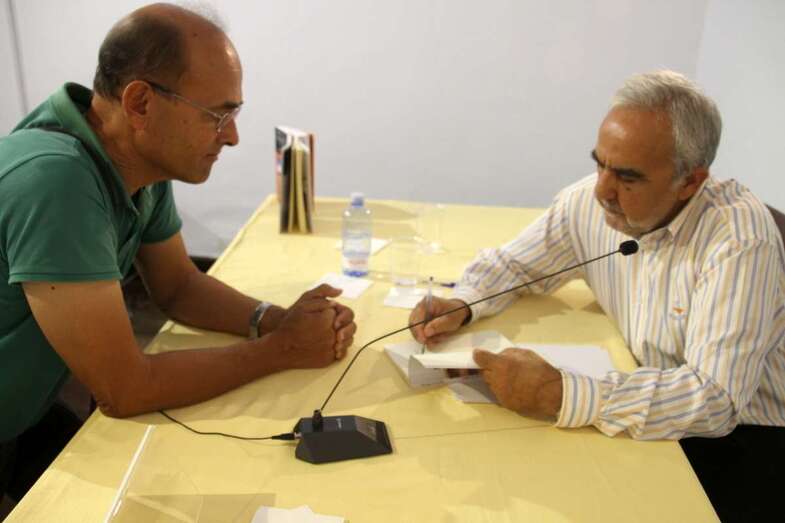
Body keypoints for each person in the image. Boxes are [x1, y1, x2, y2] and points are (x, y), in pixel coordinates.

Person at [0, 3, 356, 504]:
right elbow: (124, 389)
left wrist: (282, 321)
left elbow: (179, 287)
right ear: (141, 103)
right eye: (217, 115)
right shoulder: (56, 179)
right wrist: (282, 349)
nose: (232, 136)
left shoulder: (135, 160)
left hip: (26, 408)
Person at [409, 70, 785, 521]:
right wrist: (463, 303)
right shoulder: (589, 201)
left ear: (690, 182)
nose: (602, 190)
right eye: (600, 164)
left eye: (627, 177)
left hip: (744, 440)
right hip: (643, 405)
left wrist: (559, 393)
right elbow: (513, 265)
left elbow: (714, 399)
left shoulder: (738, 241)